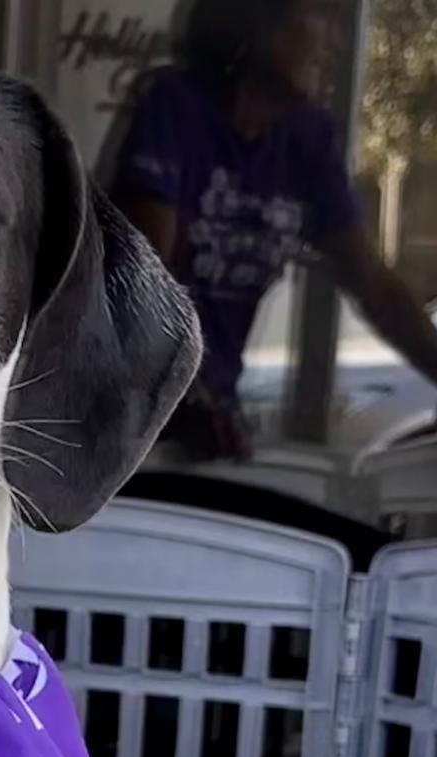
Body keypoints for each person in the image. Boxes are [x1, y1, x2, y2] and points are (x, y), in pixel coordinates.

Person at [113, 0, 437, 461]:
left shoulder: (308, 138)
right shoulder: (173, 106)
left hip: (211, 419)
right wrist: (190, 399)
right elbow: (145, 284)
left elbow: (373, 284)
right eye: (322, 18)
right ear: (258, 20)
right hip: (129, 413)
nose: (336, 43)